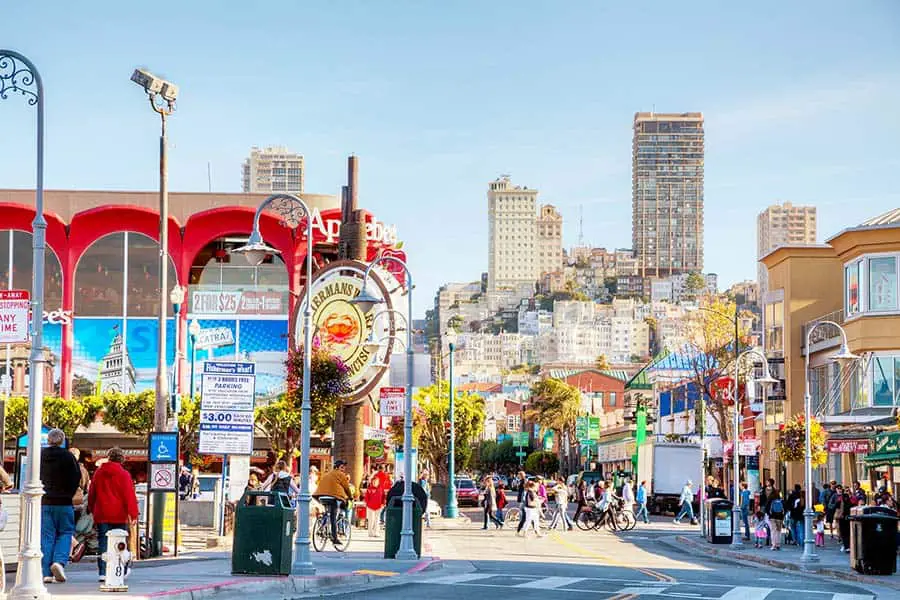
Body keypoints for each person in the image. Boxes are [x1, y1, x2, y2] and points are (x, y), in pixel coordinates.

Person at [88, 447, 139, 583]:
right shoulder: (124, 475)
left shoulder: (99, 473)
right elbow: (129, 496)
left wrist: (92, 509)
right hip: (119, 514)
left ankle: (103, 572)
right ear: (121, 459)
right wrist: (133, 514)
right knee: (120, 542)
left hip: (102, 513)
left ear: (109, 458)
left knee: (103, 542)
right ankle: (119, 569)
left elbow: (92, 493)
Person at [39, 428, 81, 584]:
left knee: (46, 536)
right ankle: (59, 561)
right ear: (62, 440)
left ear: (48, 440)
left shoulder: (40, 455)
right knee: (65, 532)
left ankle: (46, 572)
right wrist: (68, 493)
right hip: (63, 502)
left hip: (44, 501)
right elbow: (76, 477)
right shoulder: (68, 457)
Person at [313, 460, 353, 544]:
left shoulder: (327, 474)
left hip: (320, 496)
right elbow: (346, 487)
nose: (343, 469)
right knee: (333, 517)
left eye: (344, 468)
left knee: (327, 512)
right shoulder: (341, 474)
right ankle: (334, 538)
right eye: (342, 467)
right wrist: (350, 497)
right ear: (337, 467)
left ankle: (322, 526)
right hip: (333, 497)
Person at [364, 470, 386, 538]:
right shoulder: (369, 489)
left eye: (376, 481)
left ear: (378, 482)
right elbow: (366, 498)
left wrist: (383, 503)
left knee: (377, 520)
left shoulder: (381, 489)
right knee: (371, 520)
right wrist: (367, 504)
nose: (374, 483)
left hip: (378, 506)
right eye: (373, 481)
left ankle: (376, 532)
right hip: (370, 507)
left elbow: (383, 497)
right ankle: (370, 532)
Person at [835, 485, 852, 553]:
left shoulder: (839, 503)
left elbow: (836, 510)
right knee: (848, 534)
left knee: (843, 534)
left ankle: (846, 546)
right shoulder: (850, 504)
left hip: (842, 520)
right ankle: (848, 546)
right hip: (848, 520)